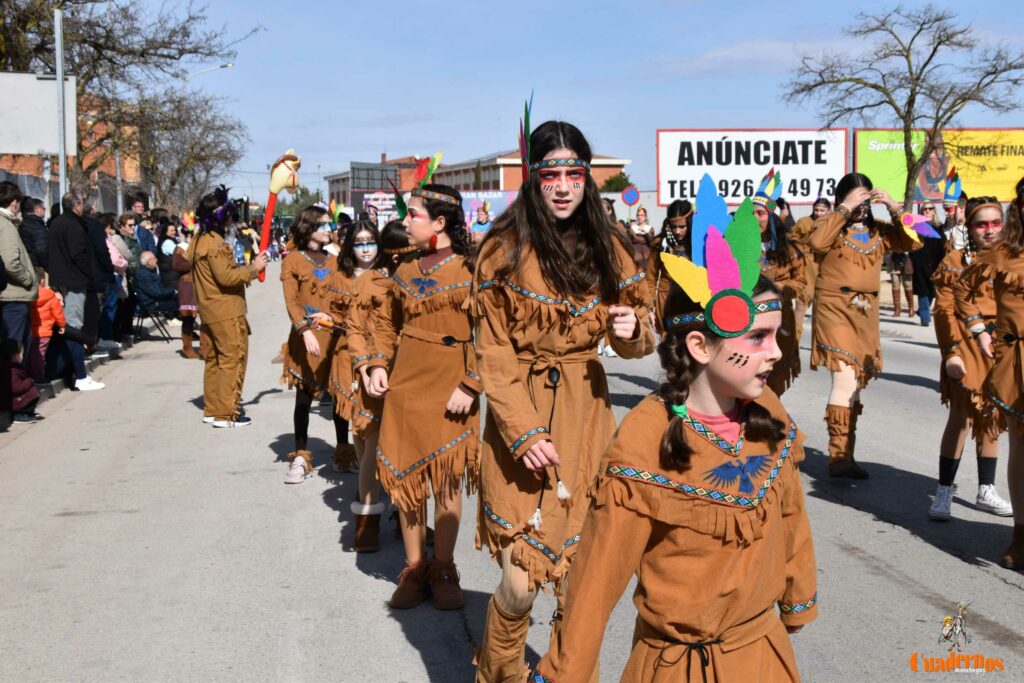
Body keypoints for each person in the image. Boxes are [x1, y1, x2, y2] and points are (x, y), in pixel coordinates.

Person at [533, 194, 817, 680]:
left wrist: (796, 598)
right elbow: (597, 580)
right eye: (758, 338)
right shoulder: (646, 441)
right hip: (679, 665)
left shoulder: (769, 415)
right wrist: (565, 672)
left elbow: (791, 517)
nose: (776, 352)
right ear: (701, 345)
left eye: (778, 335)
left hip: (761, 654)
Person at [472, 119, 654, 681]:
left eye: (574, 171)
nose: (563, 184)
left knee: (581, 580)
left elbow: (641, 339)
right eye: (550, 172)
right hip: (518, 414)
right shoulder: (501, 250)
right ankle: (497, 673)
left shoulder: (613, 247)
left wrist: (628, 328)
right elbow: (494, 354)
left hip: (586, 414)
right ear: (534, 178)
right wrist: (523, 431)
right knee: (521, 583)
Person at [366, 182, 479, 611]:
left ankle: (444, 567)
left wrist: (471, 384)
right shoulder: (405, 270)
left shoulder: (472, 270)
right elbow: (384, 324)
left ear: (439, 222)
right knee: (410, 484)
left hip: (453, 387)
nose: (404, 221)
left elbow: (492, 336)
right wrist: (377, 364)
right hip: (406, 387)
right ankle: (415, 568)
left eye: (412, 214)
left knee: (447, 481)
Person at [810, 172, 922, 478]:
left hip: (866, 312)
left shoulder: (880, 231)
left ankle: (848, 453)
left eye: (865, 198)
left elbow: (915, 242)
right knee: (845, 377)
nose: (862, 204)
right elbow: (817, 243)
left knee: (856, 383)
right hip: (835, 307)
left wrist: (895, 208)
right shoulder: (830, 225)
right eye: (855, 197)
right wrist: (844, 208)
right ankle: (838, 457)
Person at [954, 179, 1024, 569]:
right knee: (1021, 448)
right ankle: (1020, 533)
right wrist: (980, 331)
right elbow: (962, 291)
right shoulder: (1001, 254)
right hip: (1016, 360)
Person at [929, 196, 1011, 521]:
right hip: (964, 342)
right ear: (970, 226)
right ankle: (944, 491)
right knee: (961, 418)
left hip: (999, 345)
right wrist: (951, 353)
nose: (989, 231)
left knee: (991, 415)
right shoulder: (955, 260)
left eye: (995, 223)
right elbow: (945, 310)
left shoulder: (1011, 259)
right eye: (981, 224)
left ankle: (986, 490)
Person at [346, 220, 416, 552]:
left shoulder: (420, 281)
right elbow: (355, 330)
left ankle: (409, 520)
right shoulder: (368, 283)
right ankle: (367, 520)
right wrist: (363, 369)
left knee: (411, 453)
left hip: (413, 376)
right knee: (372, 450)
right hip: (375, 377)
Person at [188, 185, 268, 428]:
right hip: (226, 311)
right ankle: (226, 413)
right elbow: (227, 278)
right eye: (229, 215)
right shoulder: (216, 244)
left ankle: (213, 409)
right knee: (233, 358)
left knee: (214, 360)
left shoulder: (198, 240)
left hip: (209, 309)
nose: (232, 220)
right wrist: (255, 268)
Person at [278, 205, 342, 483]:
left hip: (334, 338)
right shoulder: (293, 259)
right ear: (309, 228)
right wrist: (304, 330)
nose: (330, 230)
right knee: (303, 398)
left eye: (330, 225)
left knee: (340, 398)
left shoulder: (335, 260)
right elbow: (291, 301)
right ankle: (301, 456)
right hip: (306, 338)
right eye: (324, 225)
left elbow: (343, 298)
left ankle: (344, 453)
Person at [323, 219, 381, 477]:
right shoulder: (340, 277)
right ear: (350, 248)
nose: (366, 249)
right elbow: (333, 314)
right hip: (347, 352)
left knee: (378, 415)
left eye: (371, 242)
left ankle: (378, 468)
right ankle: (357, 466)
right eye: (359, 244)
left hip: (380, 354)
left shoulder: (388, 275)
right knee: (351, 413)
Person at [752, 171, 806, 396]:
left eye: (761, 213)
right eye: (752, 213)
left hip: (780, 316)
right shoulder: (739, 246)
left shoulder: (789, 248)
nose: (756, 218)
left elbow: (801, 282)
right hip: (750, 317)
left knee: (775, 371)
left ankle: (770, 414)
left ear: (771, 216)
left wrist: (779, 289)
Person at [0, 182, 39, 365]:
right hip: (12, 296)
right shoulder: (5, 226)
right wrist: (29, 278)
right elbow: (11, 263)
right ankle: (15, 392)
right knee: (15, 351)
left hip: (9, 294)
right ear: (14, 203)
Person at [645, 198, 693, 334]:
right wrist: (650, 308)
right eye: (673, 227)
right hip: (666, 301)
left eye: (682, 226)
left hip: (694, 301)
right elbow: (650, 277)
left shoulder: (700, 243)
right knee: (670, 348)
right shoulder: (660, 244)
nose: (677, 231)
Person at [790, 197, 831, 341]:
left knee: (822, 313)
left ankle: (821, 344)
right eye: (816, 209)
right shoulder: (804, 222)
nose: (819, 213)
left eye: (822, 210)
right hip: (808, 268)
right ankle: (794, 342)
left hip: (827, 270)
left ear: (829, 211)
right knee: (801, 306)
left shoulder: (833, 224)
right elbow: (791, 238)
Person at [909, 202, 945, 328]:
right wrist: (913, 258)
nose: (927, 211)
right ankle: (925, 317)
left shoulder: (940, 227)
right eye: (925, 209)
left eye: (930, 208)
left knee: (932, 290)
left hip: (936, 263)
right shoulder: (916, 227)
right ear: (921, 212)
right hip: (920, 263)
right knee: (923, 290)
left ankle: (921, 311)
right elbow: (911, 244)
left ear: (934, 211)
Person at [29, 268, 66, 382]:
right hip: (44, 332)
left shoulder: (27, 295)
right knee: (40, 355)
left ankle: (30, 375)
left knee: (31, 354)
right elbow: (57, 312)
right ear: (42, 282)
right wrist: (62, 325)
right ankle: (40, 376)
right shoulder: (50, 295)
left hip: (30, 331)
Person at [3, 340, 42, 424]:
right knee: (33, 392)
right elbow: (16, 388)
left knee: (32, 390)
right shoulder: (11, 370)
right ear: (15, 356)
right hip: (9, 403)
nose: (22, 356)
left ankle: (25, 412)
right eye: (21, 354)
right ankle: (19, 414)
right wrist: (29, 381)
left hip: (9, 401)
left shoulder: (12, 368)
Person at [18, 197, 49, 270]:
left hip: (27, 263)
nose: (45, 210)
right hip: (38, 266)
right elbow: (42, 250)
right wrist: (48, 267)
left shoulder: (24, 223)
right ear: (38, 210)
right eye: (43, 208)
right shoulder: (37, 226)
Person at [885, 249, 915, 317]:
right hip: (893, 260)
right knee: (895, 284)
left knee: (907, 285)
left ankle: (911, 308)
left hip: (906, 260)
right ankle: (897, 309)